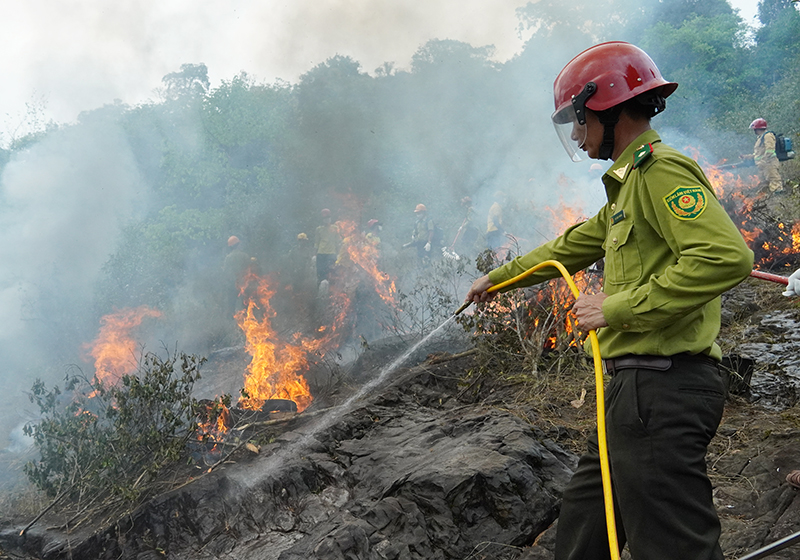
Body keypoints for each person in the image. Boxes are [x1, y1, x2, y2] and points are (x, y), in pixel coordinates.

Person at [465, 42, 754, 560]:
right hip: (634, 391)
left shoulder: (660, 170)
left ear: (605, 106)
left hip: (663, 388)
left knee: (672, 545)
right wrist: (496, 280)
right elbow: (565, 247)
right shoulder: (627, 187)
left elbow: (726, 257)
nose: (576, 135)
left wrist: (615, 309)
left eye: (577, 121)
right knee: (584, 529)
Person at [743, 118, 784, 195]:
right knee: (763, 184)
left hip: (769, 163)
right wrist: (748, 157)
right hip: (762, 165)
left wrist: (763, 161)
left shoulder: (768, 136)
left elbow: (770, 151)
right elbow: (759, 154)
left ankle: (779, 199)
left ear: (758, 128)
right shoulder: (760, 138)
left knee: (774, 181)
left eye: (754, 129)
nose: (754, 131)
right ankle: (765, 199)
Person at [314, 208, 340, 284]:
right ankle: (320, 291)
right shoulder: (319, 229)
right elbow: (316, 243)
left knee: (331, 272)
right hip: (321, 254)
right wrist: (315, 254)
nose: (326, 219)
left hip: (331, 254)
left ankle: (331, 290)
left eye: (328, 217)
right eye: (325, 218)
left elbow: (337, 241)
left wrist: (339, 254)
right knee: (320, 273)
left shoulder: (335, 228)